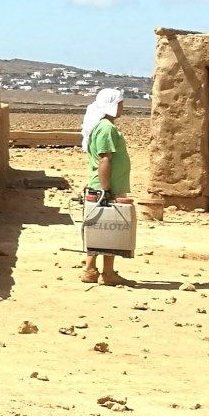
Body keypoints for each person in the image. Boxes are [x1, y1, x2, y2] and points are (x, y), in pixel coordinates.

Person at [80, 87, 131, 285]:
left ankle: (90, 269)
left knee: (98, 227)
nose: (122, 107)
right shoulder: (106, 128)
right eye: (120, 103)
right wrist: (107, 189)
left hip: (102, 186)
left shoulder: (102, 126)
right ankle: (108, 273)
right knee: (111, 229)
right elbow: (104, 160)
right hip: (109, 188)